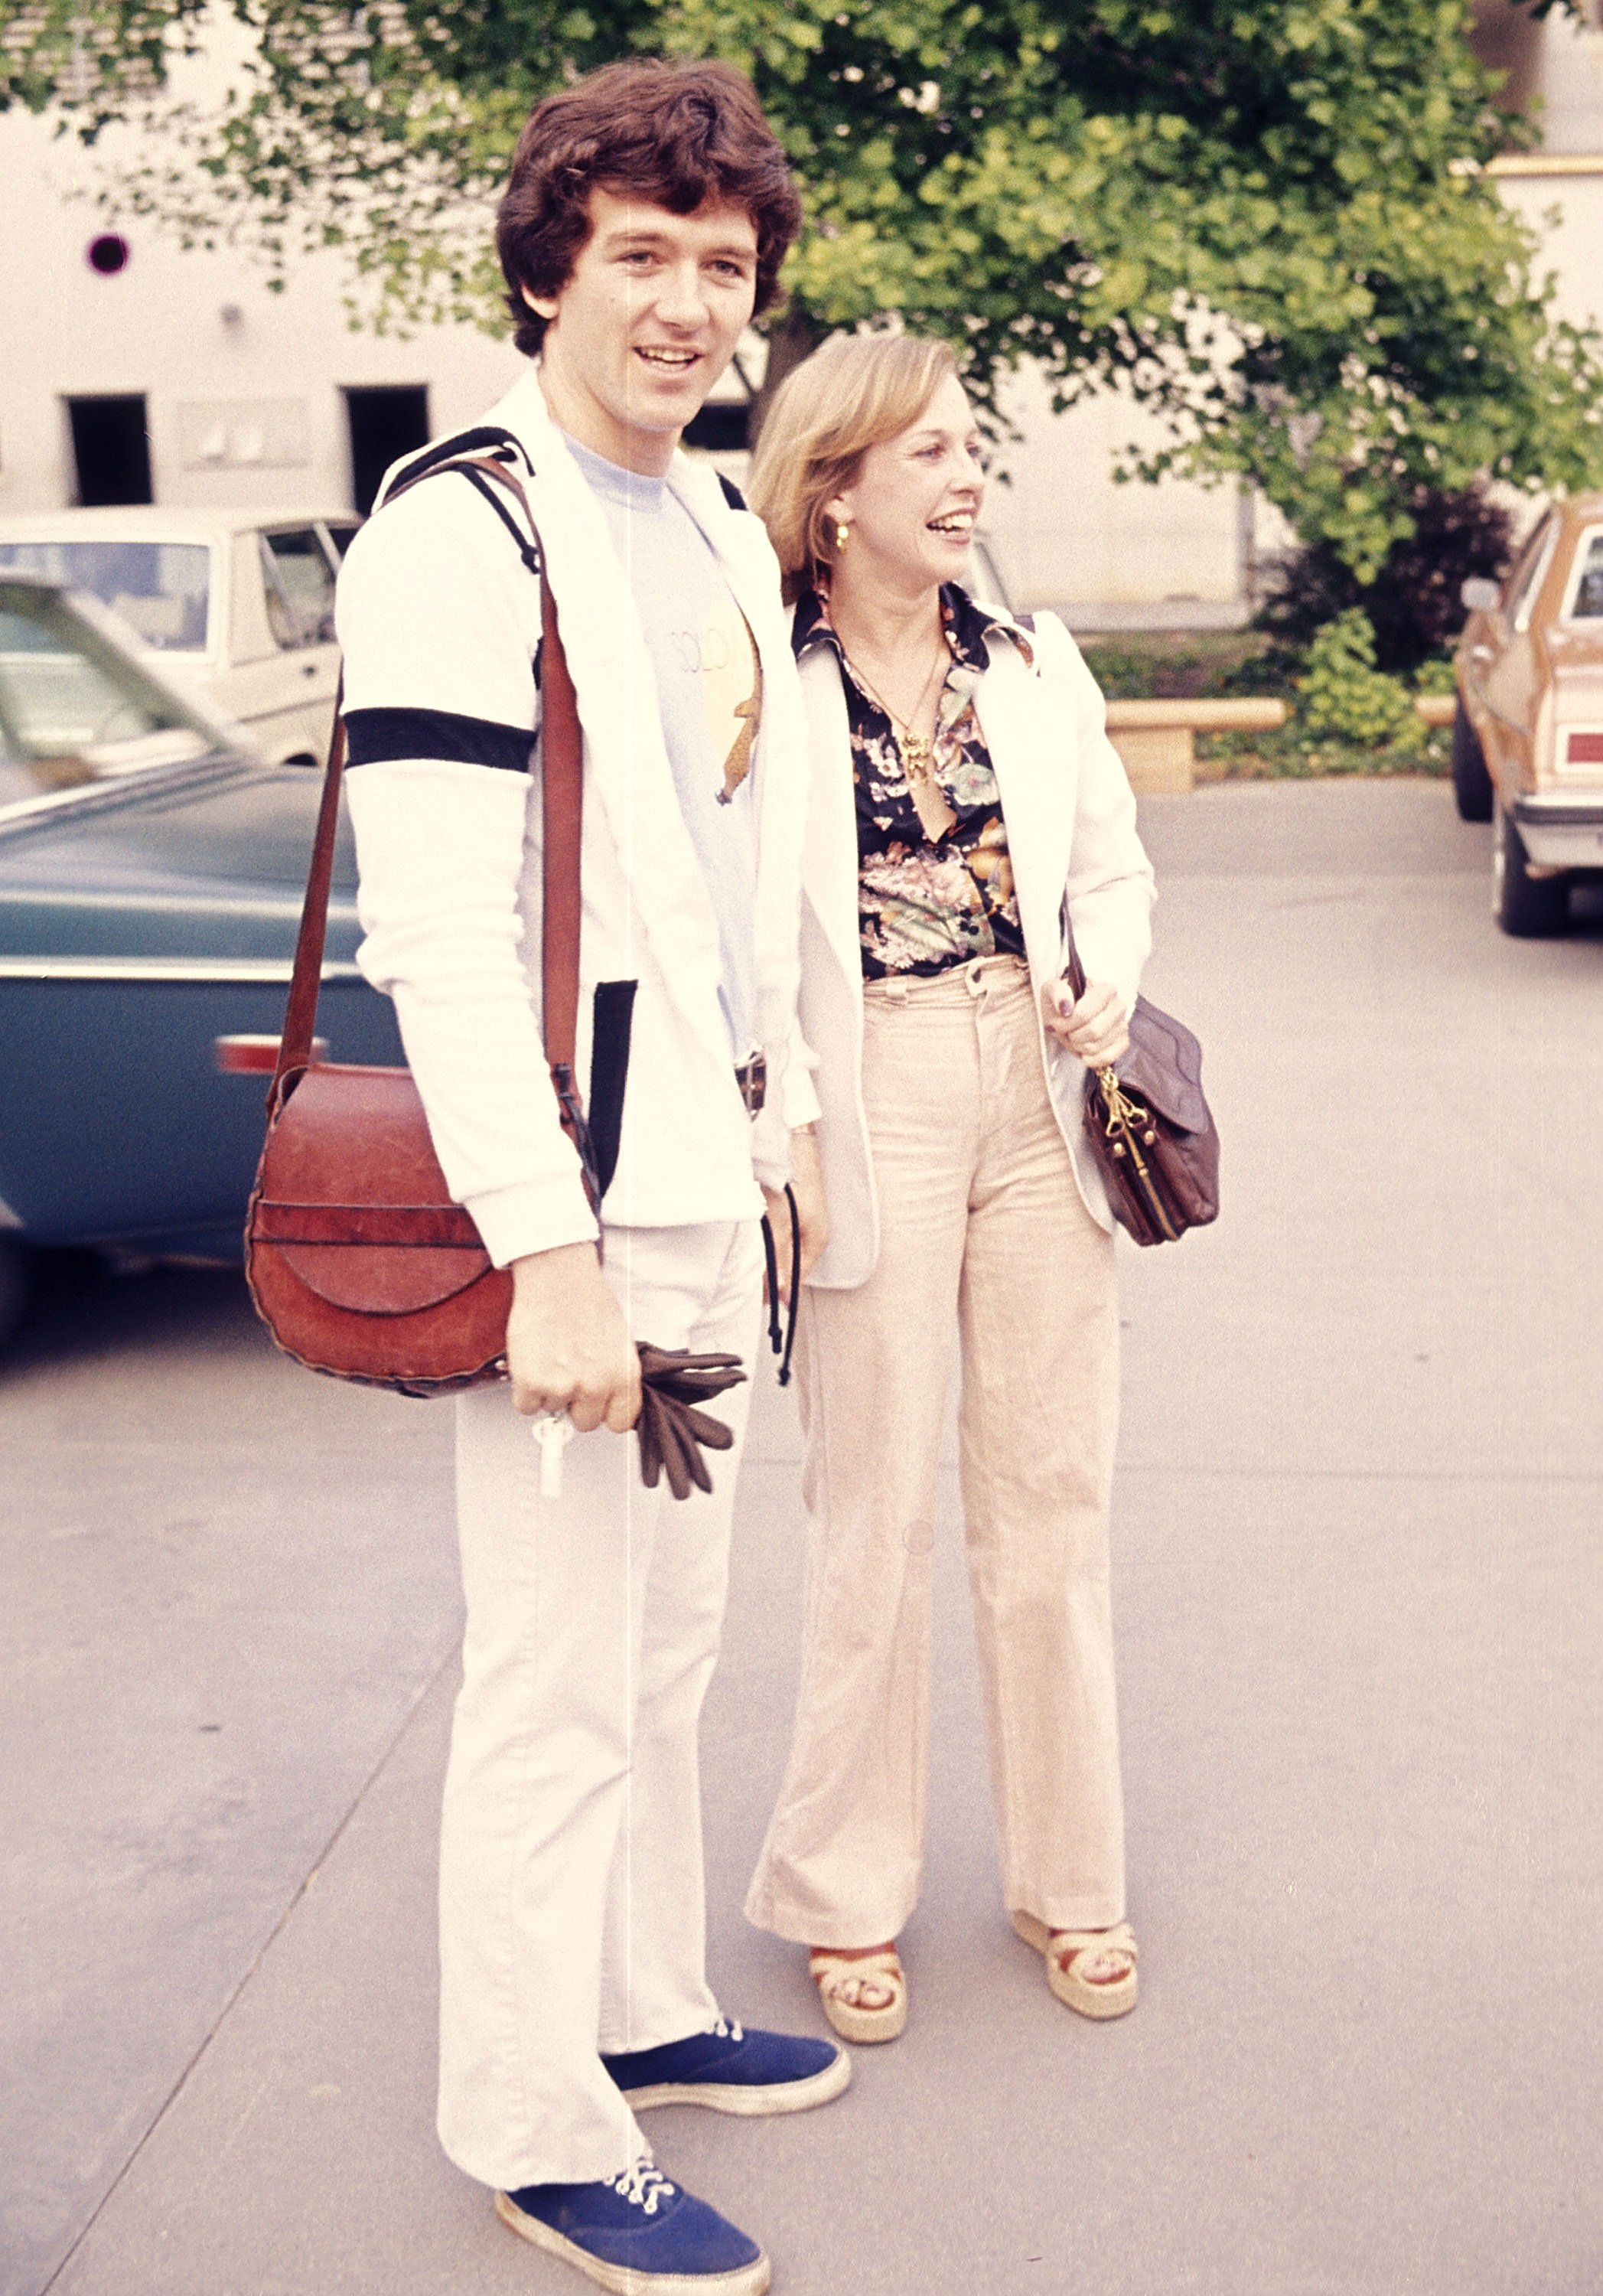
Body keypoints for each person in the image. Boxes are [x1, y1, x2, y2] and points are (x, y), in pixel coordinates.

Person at [334, 60, 842, 2296]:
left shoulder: (714, 524)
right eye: (638, 254)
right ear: (549, 265)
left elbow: (744, 869)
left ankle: (635, 2006)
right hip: (577, 1198)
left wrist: (787, 1118)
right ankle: (535, 2118)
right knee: (550, 1671)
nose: (681, 303)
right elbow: (438, 923)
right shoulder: (468, 524)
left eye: (720, 268)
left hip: (707, 1171)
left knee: (666, 1651)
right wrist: (542, 1249)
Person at [741, 332, 1156, 2046]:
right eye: (925, 454)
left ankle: (1074, 1887)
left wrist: (1106, 980)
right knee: (873, 1519)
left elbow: (1111, 867)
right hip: (873, 1095)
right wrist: (786, 1139)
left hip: (1034, 1091)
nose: (966, 477)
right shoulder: (763, 681)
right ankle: (844, 1892)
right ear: (833, 490)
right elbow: (733, 935)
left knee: (1050, 1509)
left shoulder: (1033, 663)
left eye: (973, 447)